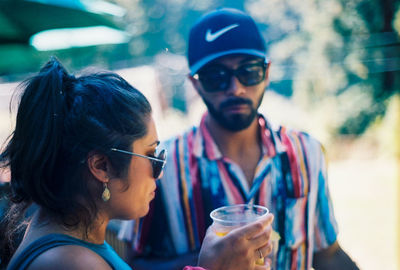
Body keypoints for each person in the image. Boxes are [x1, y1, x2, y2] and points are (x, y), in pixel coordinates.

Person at [119, 7, 360, 270]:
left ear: (266, 73)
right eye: (216, 77)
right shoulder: (163, 164)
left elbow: (326, 254)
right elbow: (130, 264)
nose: (236, 88)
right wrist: (209, 262)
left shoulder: (306, 153)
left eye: (249, 72)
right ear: (196, 83)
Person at [0, 57, 274, 270]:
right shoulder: (68, 262)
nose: (159, 172)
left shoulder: (70, 241)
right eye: (153, 156)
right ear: (102, 166)